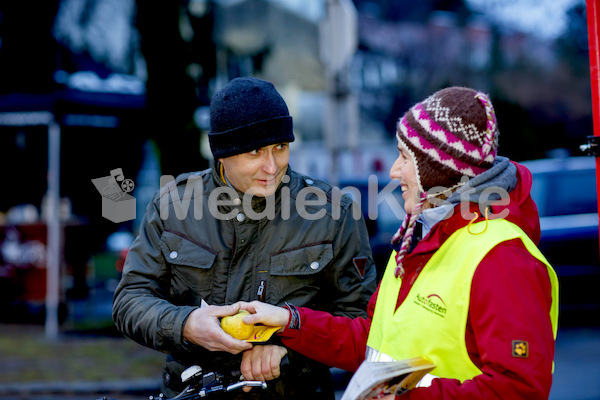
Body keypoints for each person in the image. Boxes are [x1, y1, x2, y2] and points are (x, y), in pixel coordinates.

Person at [240, 86, 559, 399]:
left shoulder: (501, 258)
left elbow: (519, 389)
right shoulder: (417, 239)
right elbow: (372, 342)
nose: (393, 171)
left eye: (405, 157)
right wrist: (288, 320)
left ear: (439, 171)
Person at [111, 76, 377, 399]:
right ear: (222, 154)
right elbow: (129, 300)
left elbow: (362, 323)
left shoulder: (335, 214)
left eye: (280, 147)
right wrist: (186, 324)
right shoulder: (172, 208)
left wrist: (289, 354)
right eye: (255, 151)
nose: (271, 166)